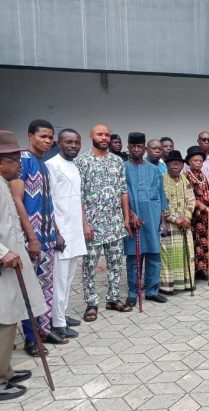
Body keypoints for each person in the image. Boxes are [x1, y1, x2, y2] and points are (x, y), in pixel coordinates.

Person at [10, 119, 67, 355]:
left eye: (50, 137)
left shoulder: (43, 164)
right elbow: (17, 200)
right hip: (30, 239)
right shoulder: (22, 161)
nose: (47, 141)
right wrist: (31, 238)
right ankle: (31, 338)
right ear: (30, 136)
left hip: (47, 236)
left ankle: (43, 330)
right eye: (43, 136)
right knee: (30, 289)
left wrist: (57, 232)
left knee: (46, 286)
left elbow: (48, 203)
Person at [0, 130, 46, 399]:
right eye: (15, 160)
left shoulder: (5, 183)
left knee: (11, 315)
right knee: (3, 319)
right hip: (4, 261)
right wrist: (3, 252)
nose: (20, 165)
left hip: (12, 261)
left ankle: (5, 370)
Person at [77, 123, 132, 322]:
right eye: (100, 134)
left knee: (116, 263)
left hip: (115, 222)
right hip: (92, 225)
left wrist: (126, 218)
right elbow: (78, 195)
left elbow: (123, 191)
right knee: (90, 265)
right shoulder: (82, 161)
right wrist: (84, 223)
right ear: (91, 135)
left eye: (107, 135)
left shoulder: (117, 161)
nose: (104, 138)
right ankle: (91, 303)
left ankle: (113, 298)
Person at [46, 129, 87, 339]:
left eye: (76, 142)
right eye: (68, 142)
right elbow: (48, 202)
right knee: (59, 280)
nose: (73, 146)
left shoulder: (73, 165)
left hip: (74, 230)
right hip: (61, 231)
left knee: (69, 278)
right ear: (59, 143)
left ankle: (62, 313)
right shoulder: (51, 165)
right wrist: (56, 232)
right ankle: (57, 323)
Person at [124, 132, 168, 306]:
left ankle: (151, 291)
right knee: (133, 257)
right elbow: (119, 195)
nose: (136, 149)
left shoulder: (154, 170)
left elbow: (161, 196)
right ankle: (133, 292)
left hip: (152, 218)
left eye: (139, 146)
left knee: (154, 255)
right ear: (128, 148)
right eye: (133, 146)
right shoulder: (122, 168)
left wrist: (163, 221)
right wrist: (129, 213)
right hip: (131, 220)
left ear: (144, 148)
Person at [160, 150, 195, 293]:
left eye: (179, 164)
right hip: (169, 225)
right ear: (167, 165)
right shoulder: (162, 180)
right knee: (169, 256)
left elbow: (191, 200)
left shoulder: (185, 180)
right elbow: (161, 204)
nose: (176, 166)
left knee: (186, 254)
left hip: (184, 225)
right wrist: (175, 219)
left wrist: (187, 218)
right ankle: (168, 286)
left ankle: (187, 284)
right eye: (173, 163)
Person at [185, 148, 209, 279]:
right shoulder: (186, 176)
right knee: (199, 242)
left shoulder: (202, 175)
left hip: (206, 214)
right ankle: (201, 269)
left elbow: (208, 192)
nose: (198, 163)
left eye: (200, 161)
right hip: (195, 216)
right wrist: (200, 205)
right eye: (195, 160)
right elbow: (189, 196)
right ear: (189, 162)